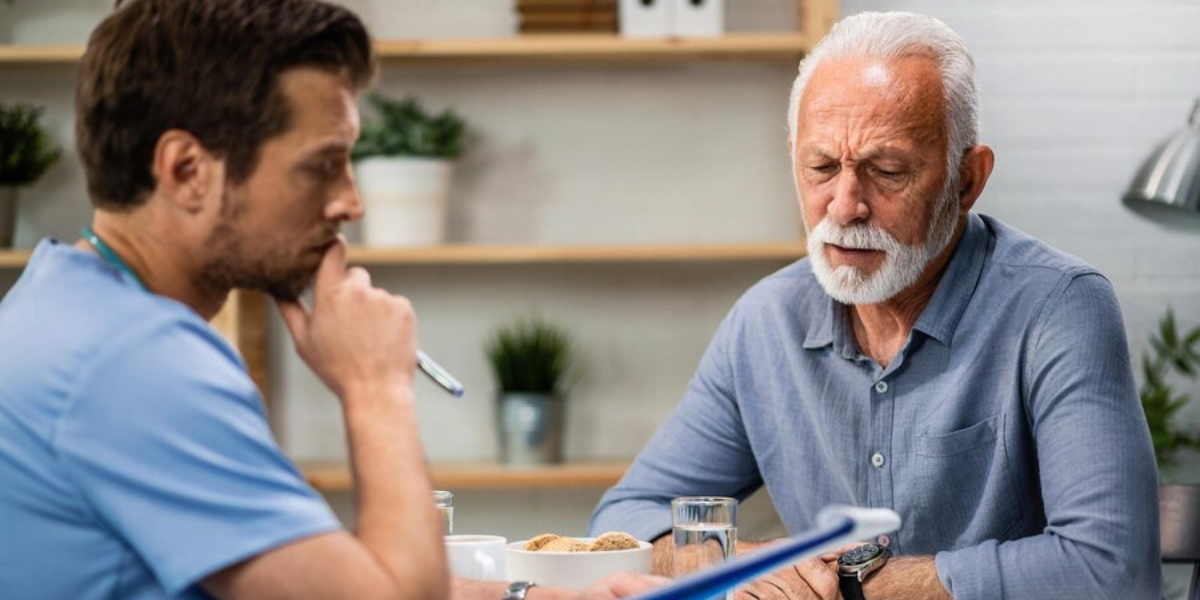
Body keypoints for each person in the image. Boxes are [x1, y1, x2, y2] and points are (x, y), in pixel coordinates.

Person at [0, 2, 665, 600]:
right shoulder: (140, 363)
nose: (352, 200)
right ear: (186, 171)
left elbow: (311, 572)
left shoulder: (61, 296)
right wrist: (376, 387)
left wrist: (526, 599)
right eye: (321, 165)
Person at [589, 11, 1162, 600]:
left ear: (967, 181)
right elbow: (623, 519)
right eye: (820, 168)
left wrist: (862, 582)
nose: (843, 206)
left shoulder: (1058, 308)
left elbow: (1111, 568)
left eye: (886, 171)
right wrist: (745, 562)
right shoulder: (766, 323)